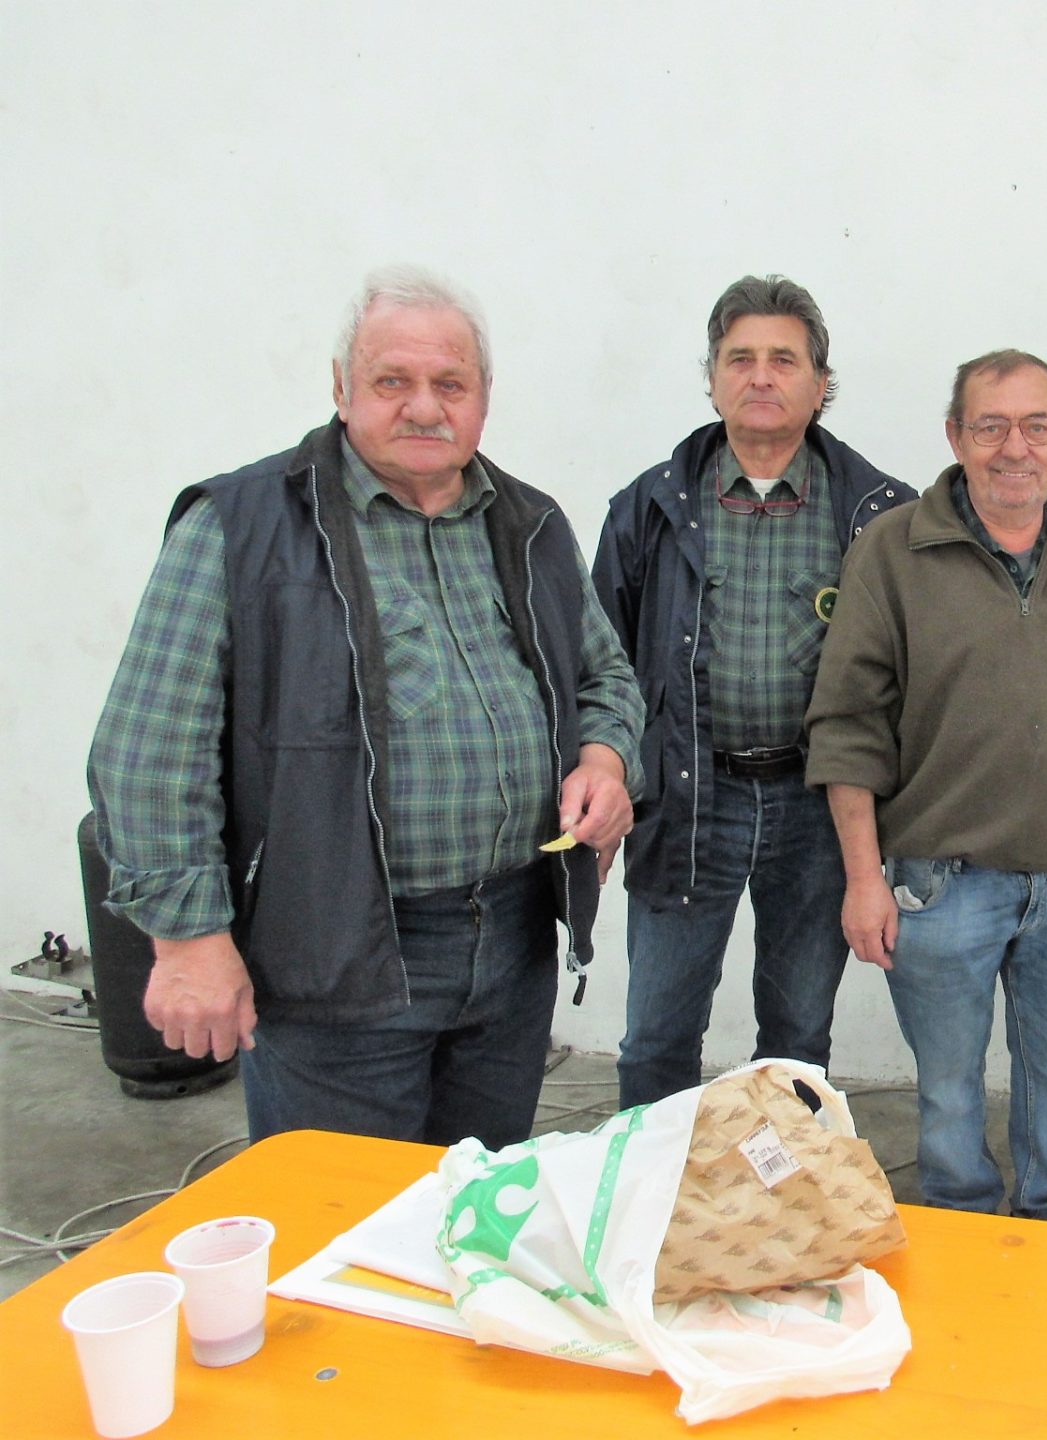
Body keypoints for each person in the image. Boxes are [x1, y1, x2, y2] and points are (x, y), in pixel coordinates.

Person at [86, 266, 644, 1148]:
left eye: (450, 384)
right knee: (343, 1213)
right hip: (332, 952)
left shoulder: (531, 524)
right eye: (393, 381)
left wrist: (606, 763)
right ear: (341, 388)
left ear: (484, 397)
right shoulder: (239, 526)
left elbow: (605, 679)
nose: (424, 407)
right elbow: (147, 754)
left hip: (511, 943)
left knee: (477, 1201)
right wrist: (189, 941)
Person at [805, 350, 1047, 1222]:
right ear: (955, 436)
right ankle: (961, 1234)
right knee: (947, 1098)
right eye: (991, 426)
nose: (1015, 447)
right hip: (941, 885)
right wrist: (864, 878)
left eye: (1036, 425)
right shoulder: (892, 551)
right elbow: (848, 725)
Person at [593, 276, 912, 1109]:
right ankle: (654, 1177)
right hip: (687, 797)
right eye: (740, 359)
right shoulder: (648, 509)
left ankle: (786, 1180)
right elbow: (602, 666)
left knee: (798, 1035)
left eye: (783, 360)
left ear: (820, 383)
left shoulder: (879, 515)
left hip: (819, 807)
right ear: (712, 378)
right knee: (657, 1034)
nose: (760, 376)